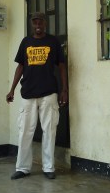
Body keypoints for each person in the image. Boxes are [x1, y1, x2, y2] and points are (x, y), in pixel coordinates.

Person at [6, 12, 68, 180]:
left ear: (45, 23)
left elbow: (62, 66)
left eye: (40, 22)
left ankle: (48, 167)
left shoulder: (53, 41)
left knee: (49, 131)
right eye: (35, 22)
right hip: (28, 93)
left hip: (49, 93)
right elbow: (20, 66)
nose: (37, 25)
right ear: (32, 24)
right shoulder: (26, 42)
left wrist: (64, 90)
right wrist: (12, 89)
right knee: (25, 131)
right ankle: (23, 168)